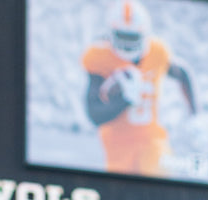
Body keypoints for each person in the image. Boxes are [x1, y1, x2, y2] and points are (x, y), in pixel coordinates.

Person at [83, 0, 196, 177]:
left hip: (151, 140)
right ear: (110, 34)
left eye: (132, 37)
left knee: (159, 178)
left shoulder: (157, 52)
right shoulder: (99, 58)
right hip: (117, 147)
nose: (128, 44)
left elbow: (183, 73)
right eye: (122, 36)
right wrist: (125, 100)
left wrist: (194, 113)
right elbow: (94, 114)